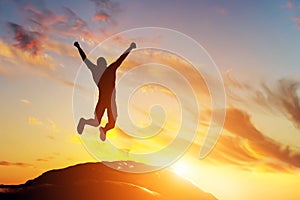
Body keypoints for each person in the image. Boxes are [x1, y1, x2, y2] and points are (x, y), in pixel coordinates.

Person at [74, 41, 136, 141]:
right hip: (104, 100)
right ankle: (84, 122)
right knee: (97, 122)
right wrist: (78, 47)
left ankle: (104, 130)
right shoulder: (103, 70)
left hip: (109, 101)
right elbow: (85, 60)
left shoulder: (104, 70)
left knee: (111, 124)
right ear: (101, 65)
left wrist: (130, 48)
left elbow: (120, 59)